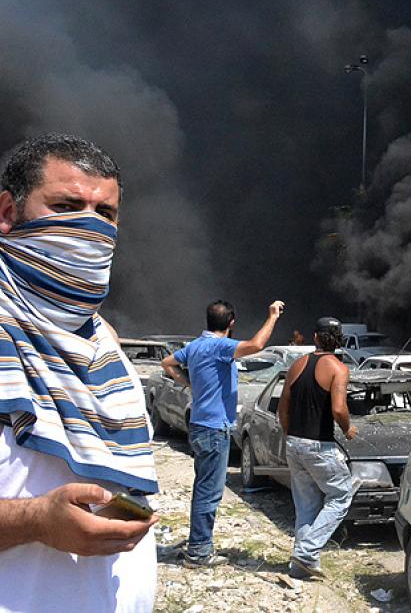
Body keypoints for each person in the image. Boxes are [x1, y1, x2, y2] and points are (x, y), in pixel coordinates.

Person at [0, 134, 159, 611]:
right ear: (8, 212)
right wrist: (35, 520)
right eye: (67, 206)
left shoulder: (103, 343)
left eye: (104, 214)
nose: (88, 229)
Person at [161, 298, 283, 566]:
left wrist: (188, 383)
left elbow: (167, 363)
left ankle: (198, 542)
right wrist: (272, 315)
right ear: (231, 323)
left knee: (203, 486)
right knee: (210, 490)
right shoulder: (219, 346)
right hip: (214, 429)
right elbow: (256, 345)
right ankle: (199, 552)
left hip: (200, 425)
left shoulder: (195, 346)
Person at [277, 316, 358, 580]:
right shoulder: (338, 368)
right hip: (319, 446)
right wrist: (347, 428)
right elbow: (338, 408)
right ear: (340, 340)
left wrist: (291, 435)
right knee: (341, 494)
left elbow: (282, 408)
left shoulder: (298, 364)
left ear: (315, 338)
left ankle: (299, 567)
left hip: (294, 442)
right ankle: (306, 552)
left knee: (307, 506)